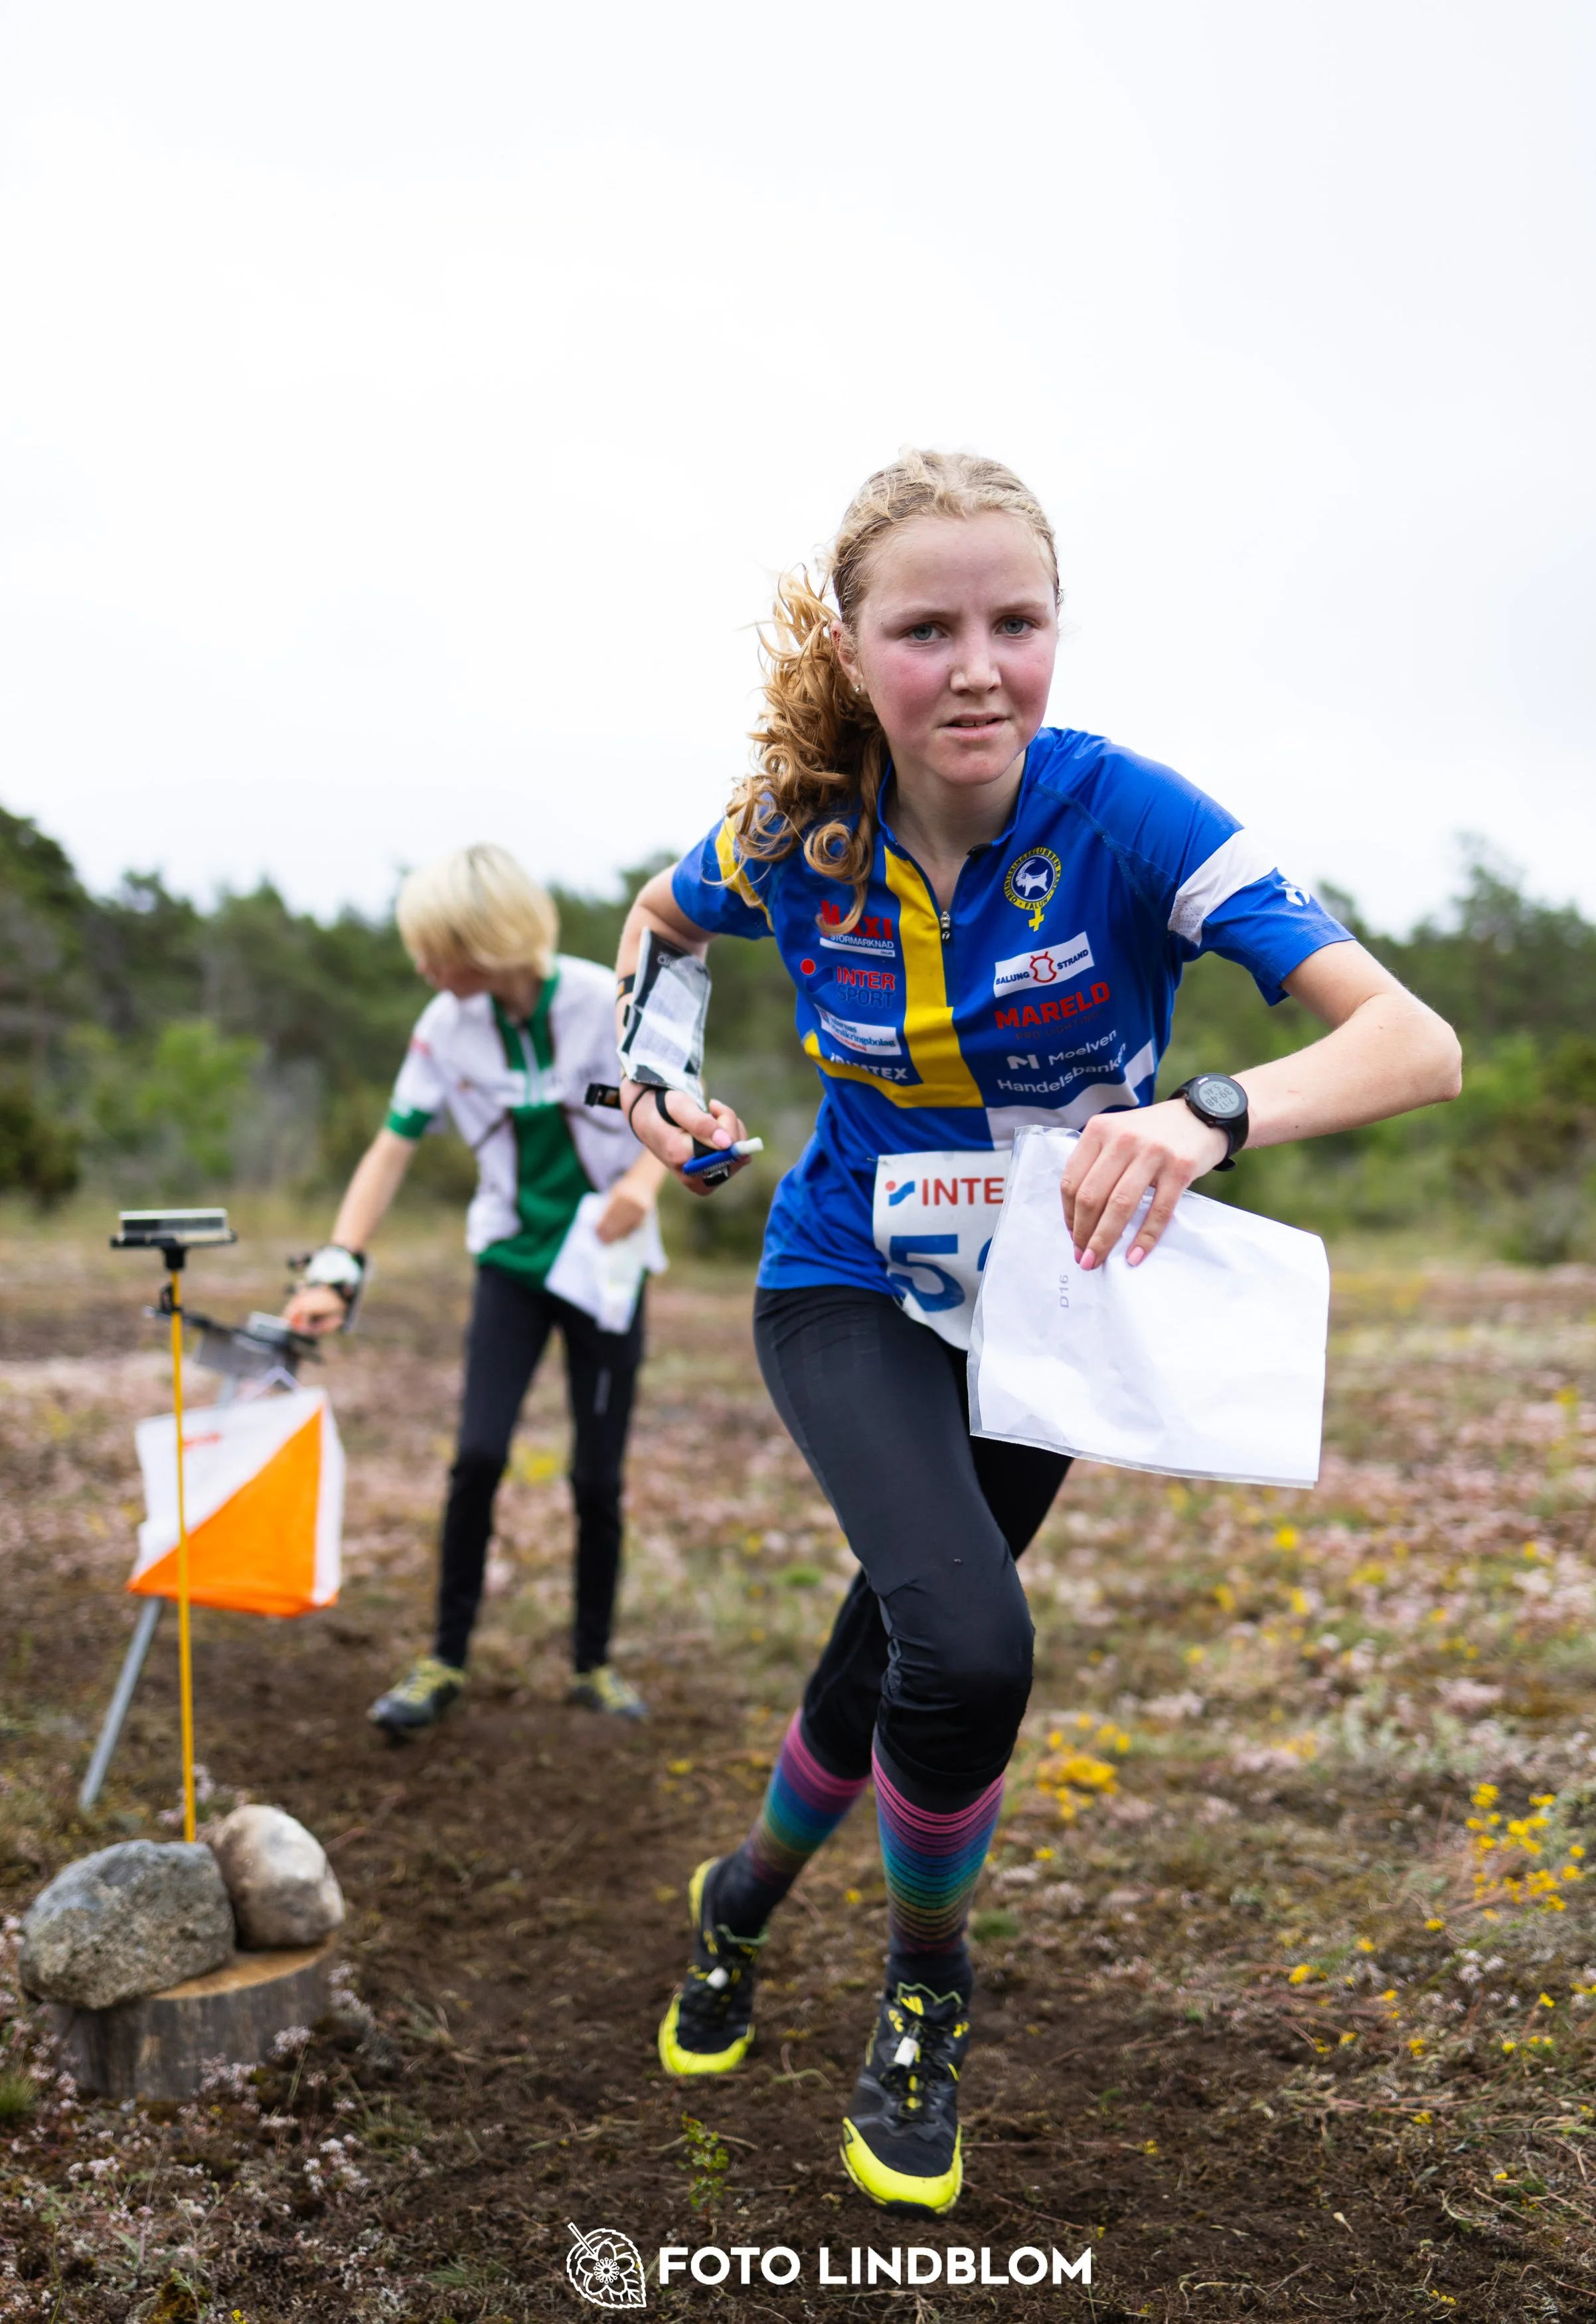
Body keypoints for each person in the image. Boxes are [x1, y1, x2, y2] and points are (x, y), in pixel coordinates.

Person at [613, 450, 1463, 2216]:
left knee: (898, 1649)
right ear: (850, 648)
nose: (977, 668)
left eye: (1017, 621)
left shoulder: (1131, 819)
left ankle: (738, 1902)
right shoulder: (791, 828)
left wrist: (1209, 1113)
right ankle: (928, 1983)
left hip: (1043, 1313)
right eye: (925, 630)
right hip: (844, 1280)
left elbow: (1412, 1043)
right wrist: (649, 1085)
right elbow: (660, 931)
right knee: (972, 1644)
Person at [285, 843, 666, 1734]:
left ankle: (594, 1663)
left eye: (435, 950)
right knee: (479, 1456)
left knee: (596, 1476)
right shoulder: (443, 1027)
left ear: (484, 943)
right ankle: (444, 1657)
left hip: (605, 1268)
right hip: (511, 1265)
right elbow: (392, 1147)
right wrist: (339, 1262)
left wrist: (643, 1186)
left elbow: (675, 1106)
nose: (422, 969)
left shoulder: (601, 999)